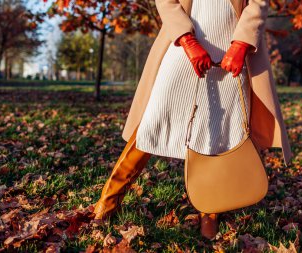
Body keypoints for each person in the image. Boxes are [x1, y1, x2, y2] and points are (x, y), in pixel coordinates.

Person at [93, 0, 289, 240]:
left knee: (218, 134)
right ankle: (109, 200)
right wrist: (188, 41)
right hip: (182, 46)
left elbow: (259, 2)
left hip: (234, 53)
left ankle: (210, 211)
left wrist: (241, 44)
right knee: (152, 122)